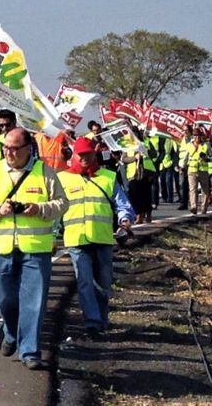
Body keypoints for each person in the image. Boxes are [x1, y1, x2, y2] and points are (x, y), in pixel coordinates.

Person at [0, 127, 68, 370]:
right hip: (0, 247)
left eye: (15, 148)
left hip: (35, 249)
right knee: (2, 297)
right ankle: (11, 332)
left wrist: (39, 209)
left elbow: (61, 204)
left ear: (28, 148)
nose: (9, 152)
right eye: (6, 147)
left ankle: (30, 351)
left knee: (33, 302)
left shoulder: (45, 172)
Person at [59, 137, 134, 339]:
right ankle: (92, 323)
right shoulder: (62, 179)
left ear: (95, 154)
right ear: (74, 155)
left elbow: (123, 205)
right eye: (81, 154)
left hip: (102, 239)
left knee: (103, 283)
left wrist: (125, 223)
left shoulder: (108, 177)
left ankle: (101, 320)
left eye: (88, 154)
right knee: (85, 282)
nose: (84, 158)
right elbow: (55, 211)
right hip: (76, 240)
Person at [121, 127, 156, 224]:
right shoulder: (128, 144)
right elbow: (124, 159)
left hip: (146, 172)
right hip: (133, 174)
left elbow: (154, 154)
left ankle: (148, 214)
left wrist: (146, 151)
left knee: (146, 194)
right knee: (134, 195)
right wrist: (134, 158)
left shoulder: (146, 142)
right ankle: (138, 214)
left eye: (134, 133)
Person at [185, 131, 211, 215]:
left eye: (198, 136)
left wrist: (206, 158)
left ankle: (204, 208)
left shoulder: (206, 145)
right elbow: (185, 157)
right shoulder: (189, 145)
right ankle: (194, 207)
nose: (197, 138)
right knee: (193, 189)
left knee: (205, 190)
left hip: (203, 170)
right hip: (192, 170)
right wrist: (182, 166)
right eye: (195, 136)